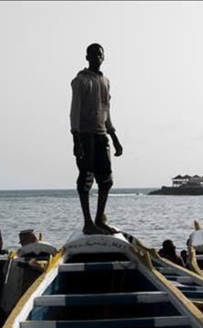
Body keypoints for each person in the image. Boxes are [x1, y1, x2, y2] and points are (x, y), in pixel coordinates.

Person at [70, 43, 124, 235]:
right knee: (86, 179)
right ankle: (88, 222)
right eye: (93, 54)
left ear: (103, 57)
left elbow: (107, 111)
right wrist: (76, 138)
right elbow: (74, 110)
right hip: (85, 133)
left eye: (100, 54)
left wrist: (114, 137)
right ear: (87, 57)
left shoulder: (105, 81)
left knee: (106, 180)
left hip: (101, 134)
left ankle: (99, 219)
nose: (97, 57)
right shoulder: (81, 81)